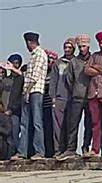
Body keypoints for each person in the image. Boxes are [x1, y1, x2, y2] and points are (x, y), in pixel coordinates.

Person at [11, 32, 48, 161]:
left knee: (37, 121)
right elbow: (27, 76)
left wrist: (27, 92)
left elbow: (34, 76)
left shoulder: (39, 54)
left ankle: (39, 151)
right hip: (27, 91)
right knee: (24, 123)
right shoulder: (32, 56)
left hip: (35, 92)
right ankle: (22, 152)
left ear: (29, 42)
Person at [57, 34, 92, 160]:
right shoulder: (74, 62)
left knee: (89, 124)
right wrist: (76, 91)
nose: (82, 49)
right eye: (80, 46)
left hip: (91, 97)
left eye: (84, 46)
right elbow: (69, 80)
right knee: (73, 124)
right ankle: (71, 149)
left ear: (88, 46)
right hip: (77, 97)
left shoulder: (93, 59)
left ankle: (86, 147)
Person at [49, 37, 76, 156]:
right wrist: (53, 97)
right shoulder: (58, 63)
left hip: (73, 99)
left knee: (71, 126)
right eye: (65, 47)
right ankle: (58, 150)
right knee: (57, 127)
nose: (67, 50)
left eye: (70, 47)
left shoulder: (76, 62)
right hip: (59, 98)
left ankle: (69, 150)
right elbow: (53, 81)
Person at [0, 54, 24, 157]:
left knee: (14, 133)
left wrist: (12, 109)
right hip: (3, 112)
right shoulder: (5, 80)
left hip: (14, 112)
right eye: (12, 63)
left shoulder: (21, 79)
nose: (14, 65)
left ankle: (16, 153)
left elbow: (21, 98)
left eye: (16, 63)